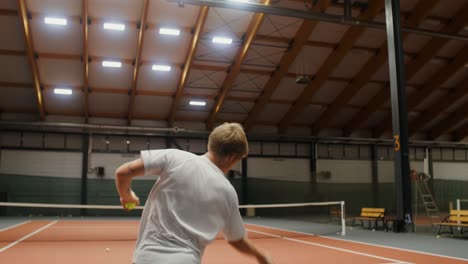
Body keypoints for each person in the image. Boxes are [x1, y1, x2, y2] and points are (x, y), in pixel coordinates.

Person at [115, 123, 273, 264]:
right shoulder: (228, 192)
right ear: (231, 157)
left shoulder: (175, 157)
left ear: (211, 144)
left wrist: (126, 196)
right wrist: (261, 256)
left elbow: (123, 172)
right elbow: (237, 240)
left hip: (145, 258)